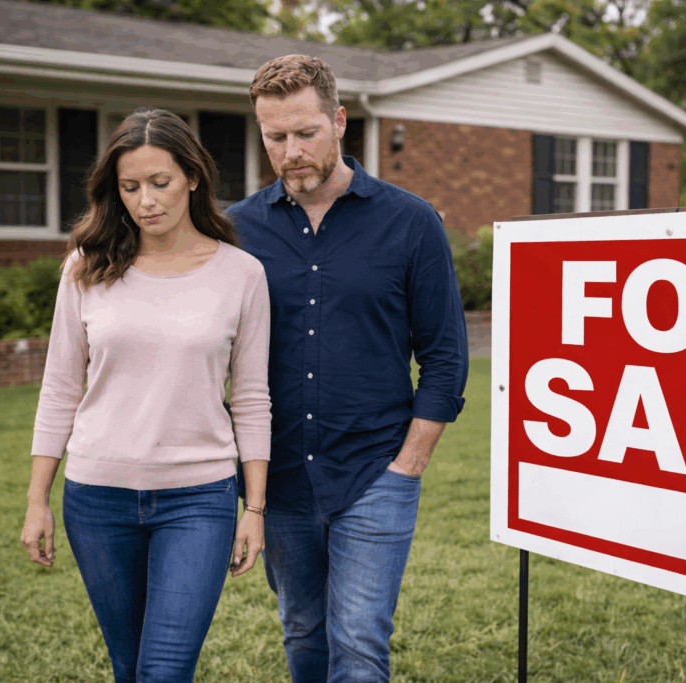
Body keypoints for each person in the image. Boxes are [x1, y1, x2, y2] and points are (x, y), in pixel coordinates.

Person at [226, 55, 469, 683]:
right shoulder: (237, 230)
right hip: (276, 480)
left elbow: (444, 356)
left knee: (359, 643)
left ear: (338, 122)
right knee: (303, 630)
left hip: (375, 473)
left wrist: (406, 467)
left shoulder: (409, 221)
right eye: (275, 137)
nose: (291, 151)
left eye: (305, 133)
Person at [20, 108, 271, 683]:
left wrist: (253, 509)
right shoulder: (86, 268)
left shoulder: (241, 274)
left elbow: (253, 398)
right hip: (97, 499)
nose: (145, 201)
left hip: (198, 500)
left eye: (159, 183)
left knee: (163, 670)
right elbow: (60, 388)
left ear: (192, 177)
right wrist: (38, 498)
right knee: (128, 666)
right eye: (129, 187)